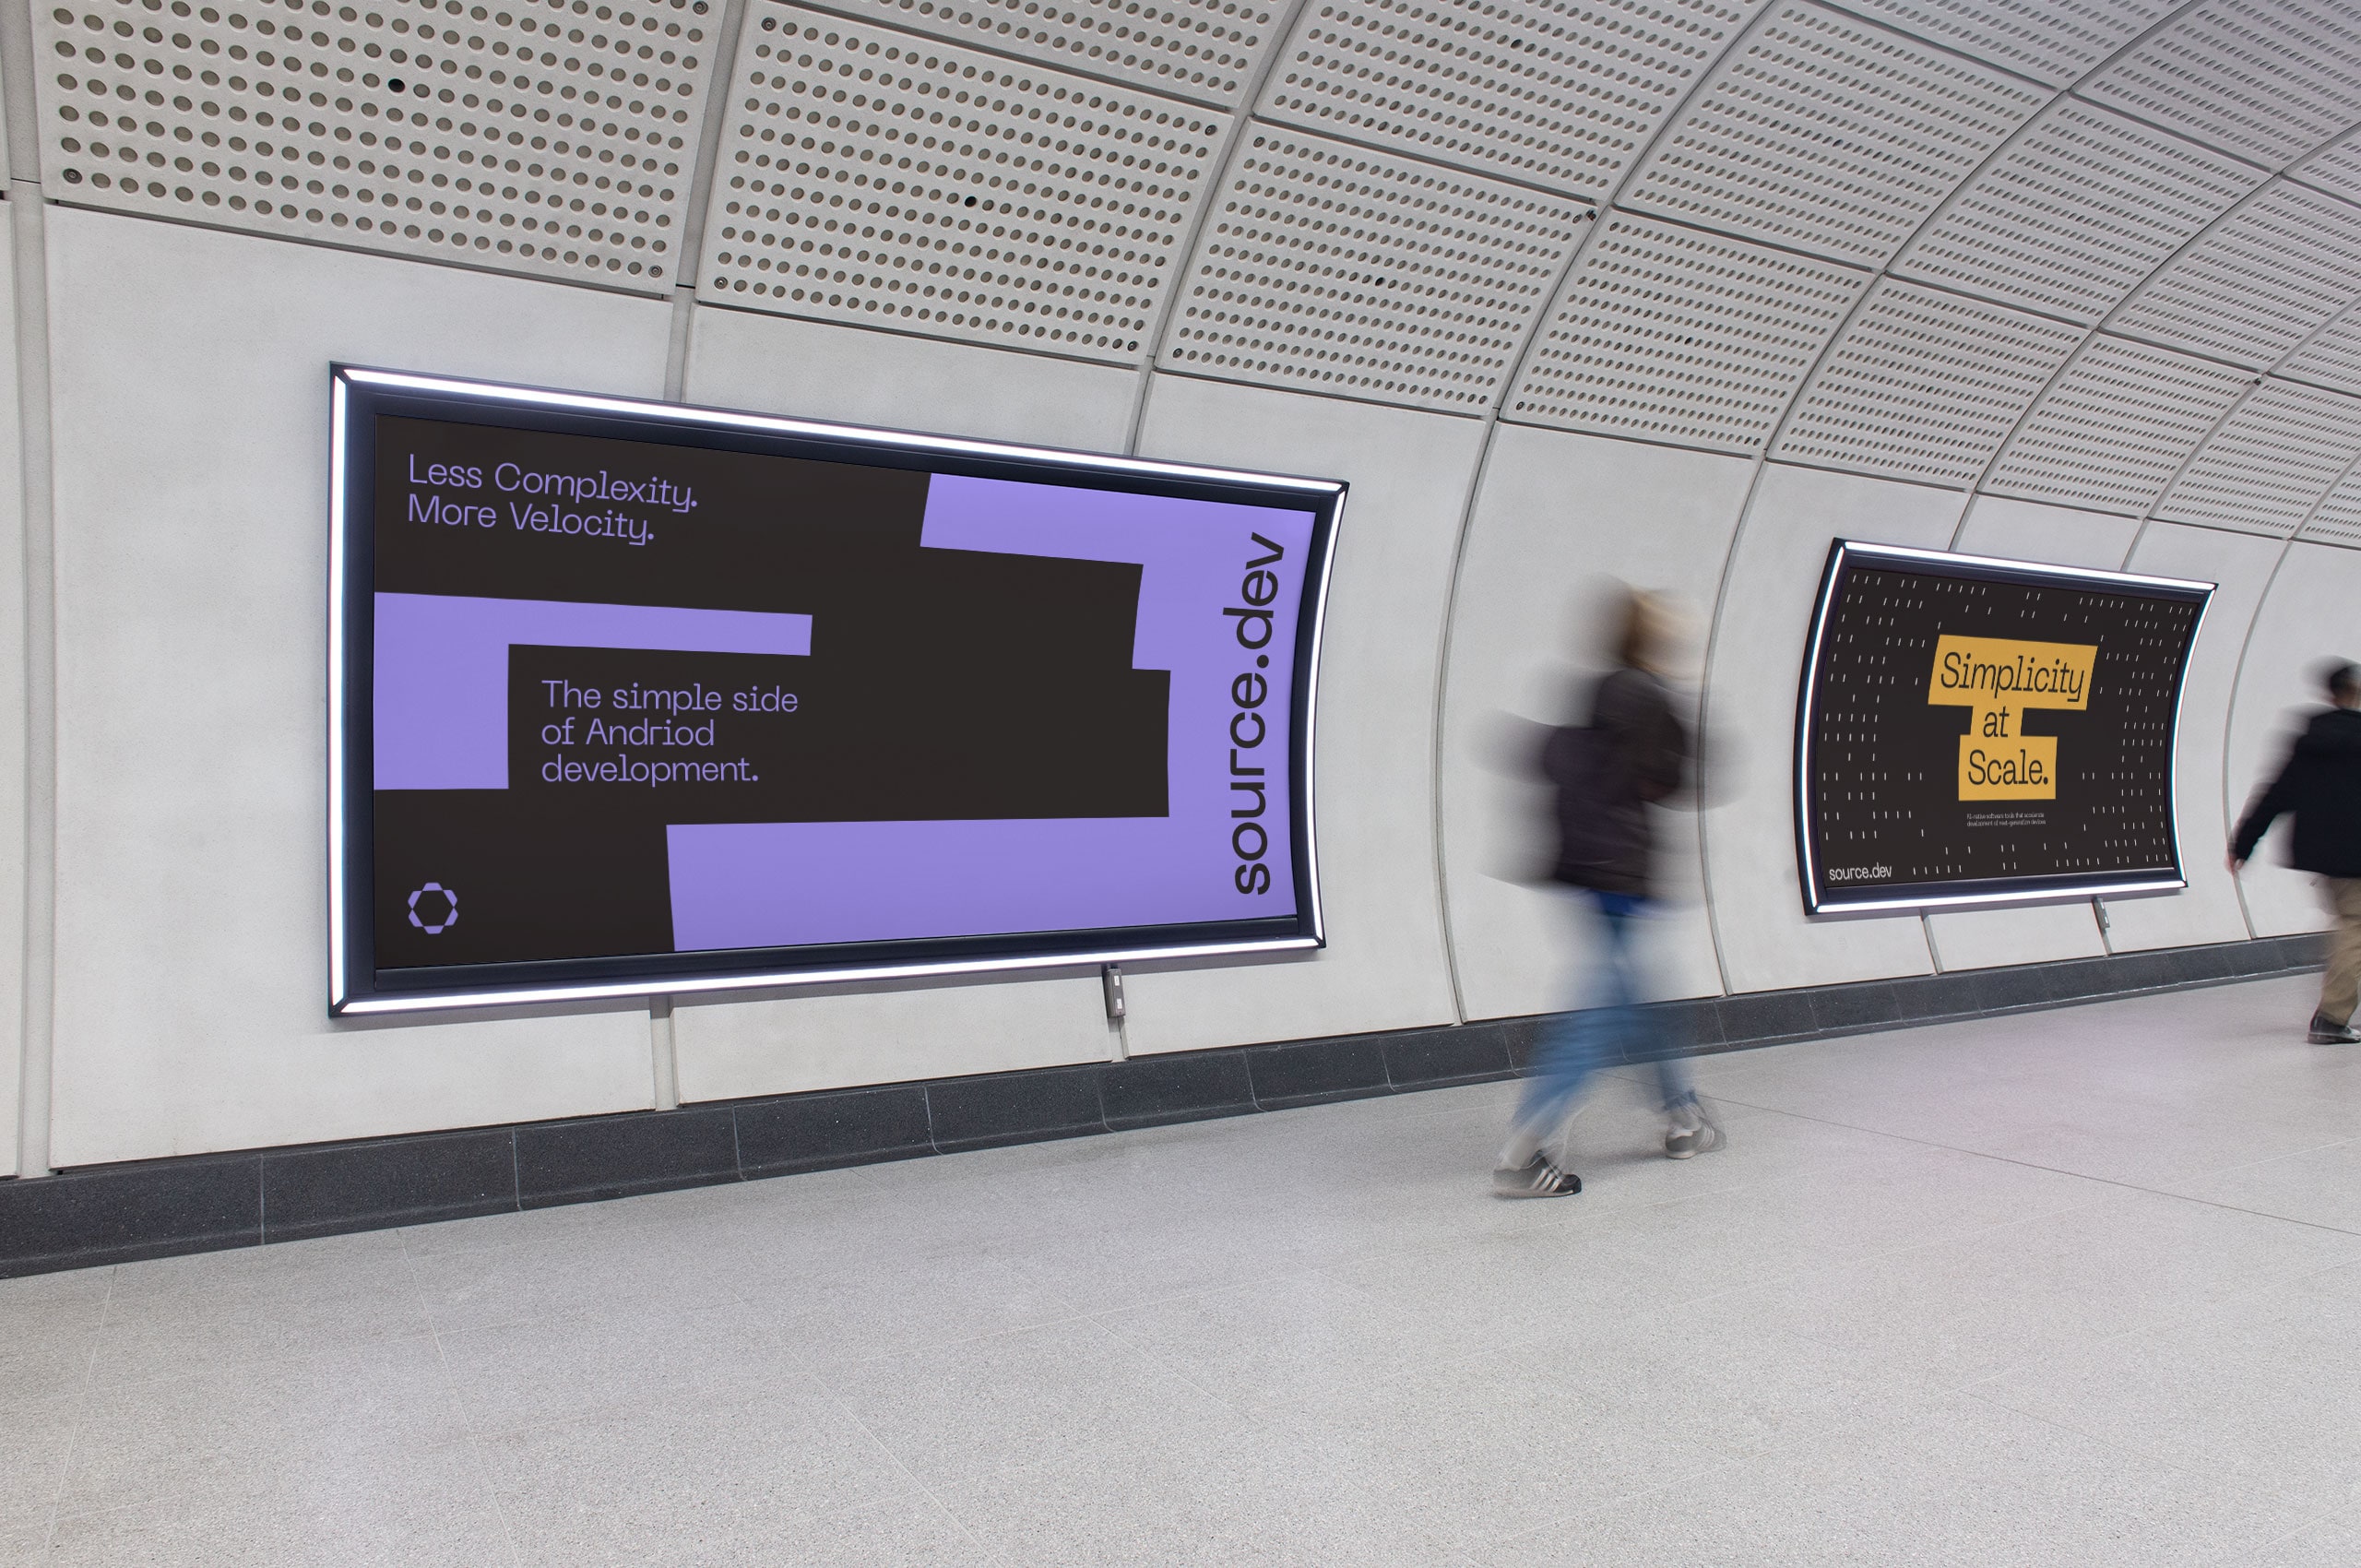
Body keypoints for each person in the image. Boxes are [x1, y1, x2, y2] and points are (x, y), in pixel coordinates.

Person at [1494, 589, 1721, 1198]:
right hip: (1622, 870)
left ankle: (1683, 1117)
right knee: (1604, 1007)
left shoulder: (1596, 692)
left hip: (1588, 866)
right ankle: (1525, 1148)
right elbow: (1682, 775)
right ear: (1652, 640)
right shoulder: (1647, 695)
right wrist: (1680, 698)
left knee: (1639, 995)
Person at [2231, 659, 2361, 1045]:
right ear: (2354, 692)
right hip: (2355, 856)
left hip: (2323, 853)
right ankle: (2331, 1018)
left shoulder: (2308, 738)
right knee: (2355, 928)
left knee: (2349, 923)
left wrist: (2243, 842)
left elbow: (2276, 793)